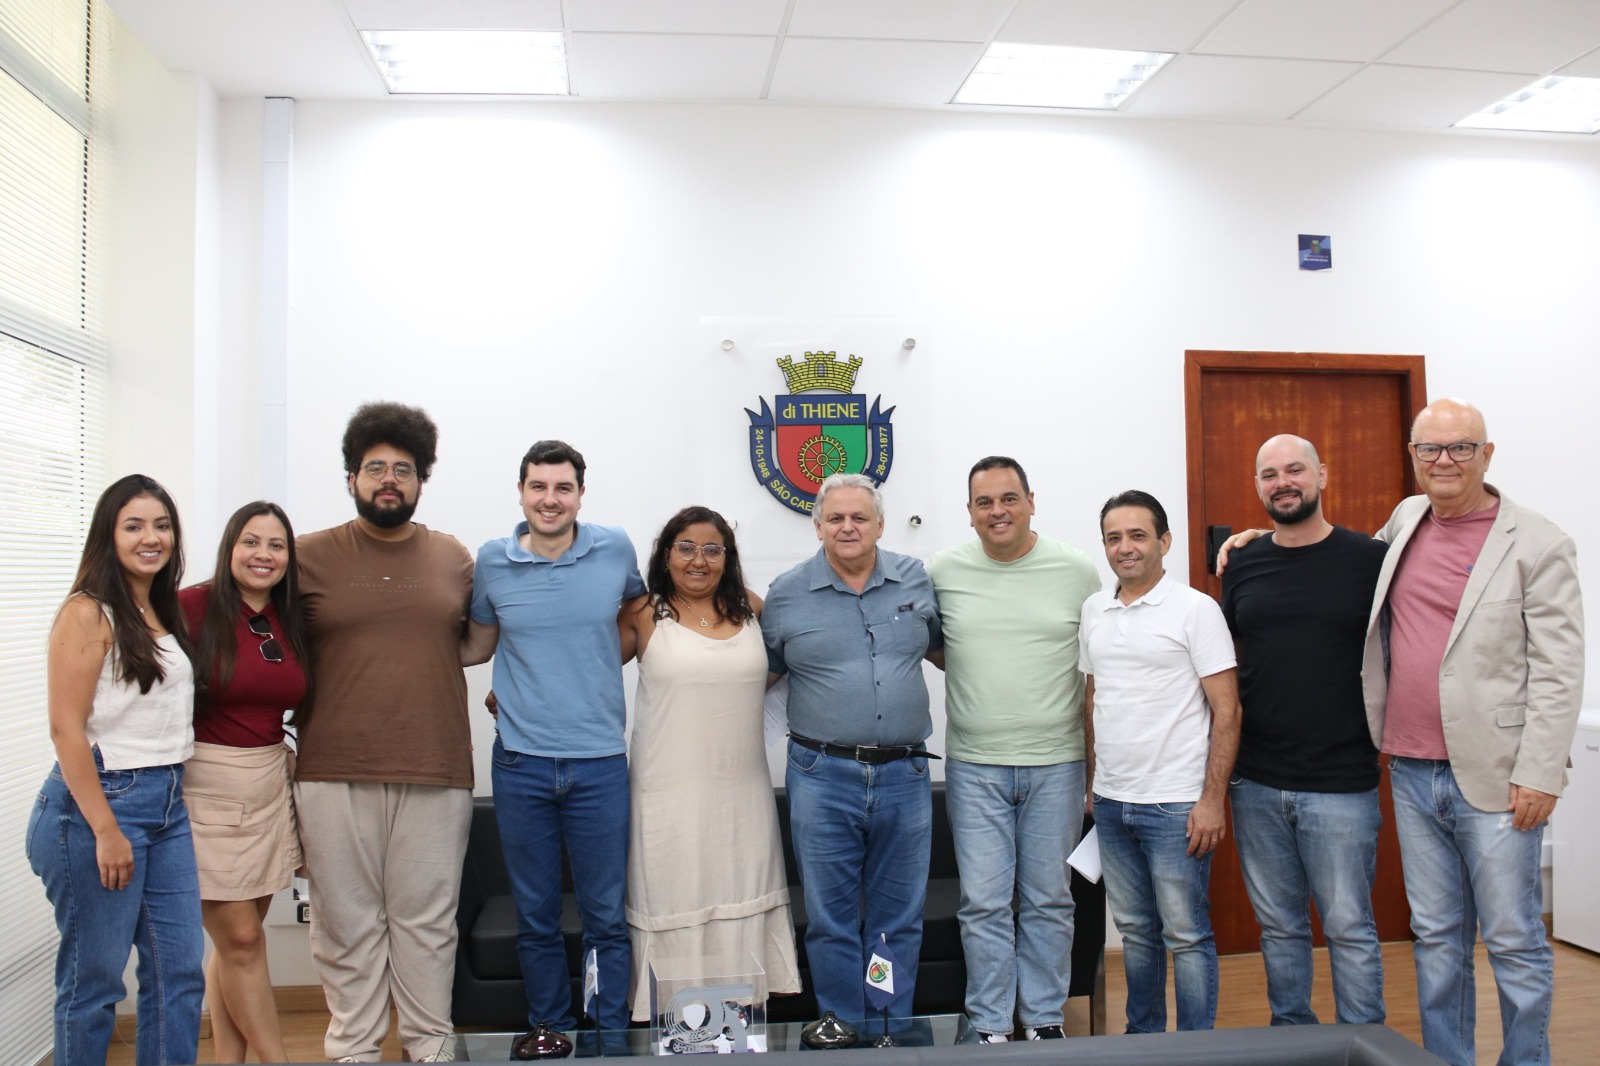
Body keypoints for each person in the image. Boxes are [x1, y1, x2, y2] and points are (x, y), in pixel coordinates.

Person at [1364, 399, 1583, 1066]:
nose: (1445, 460)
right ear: (1413, 456)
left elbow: (1559, 669)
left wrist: (1540, 773)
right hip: (1411, 769)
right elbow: (1341, 566)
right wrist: (1261, 539)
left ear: (1487, 455)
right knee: (1436, 938)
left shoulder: (1538, 542)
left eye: (1461, 447)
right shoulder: (1405, 519)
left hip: (1499, 777)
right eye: (1430, 448)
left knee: (1513, 940)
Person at [294, 402, 473, 1063]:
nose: (389, 480)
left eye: (404, 469)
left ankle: (430, 1048)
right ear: (351, 477)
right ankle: (354, 1051)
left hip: (436, 768)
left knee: (427, 926)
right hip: (331, 767)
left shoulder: (453, 558)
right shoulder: (306, 556)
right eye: (376, 468)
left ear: (422, 479)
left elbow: (480, 640)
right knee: (345, 925)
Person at [461, 440, 646, 1042]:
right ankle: (550, 1029)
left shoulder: (614, 547)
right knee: (536, 916)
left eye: (563, 487)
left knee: (605, 917)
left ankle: (608, 1034)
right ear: (521, 493)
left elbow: (640, 614)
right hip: (521, 764)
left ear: (580, 495)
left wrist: (593, 667)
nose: (550, 499)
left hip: (600, 763)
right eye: (538, 487)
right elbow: (477, 644)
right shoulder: (492, 561)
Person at [26, 474, 205, 1066]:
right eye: (134, 526)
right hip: (97, 808)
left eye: (161, 525)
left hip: (167, 805)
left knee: (180, 972)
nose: (151, 538)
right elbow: (66, 729)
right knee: (96, 982)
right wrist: (105, 828)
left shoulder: (158, 608)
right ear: (109, 535)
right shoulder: (87, 612)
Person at [926, 457, 1098, 1042]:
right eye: (984, 502)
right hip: (975, 765)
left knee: (1049, 899)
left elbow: (1099, 663)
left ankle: (1045, 1019)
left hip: (1058, 763)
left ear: (1030, 501)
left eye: (1008, 499)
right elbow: (934, 646)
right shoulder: (943, 571)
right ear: (970, 512)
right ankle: (992, 1023)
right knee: (983, 903)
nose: (997, 511)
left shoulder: (1075, 570)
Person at [762, 472, 943, 1019]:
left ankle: (887, 1024)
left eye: (859, 517)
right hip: (822, 776)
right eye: (835, 518)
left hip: (905, 776)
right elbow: (757, 675)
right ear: (817, 526)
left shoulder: (915, 580)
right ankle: (842, 1028)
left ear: (880, 525)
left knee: (897, 921)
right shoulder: (786, 594)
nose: (848, 527)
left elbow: (949, 651)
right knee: (830, 920)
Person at [1220, 436, 1388, 1026]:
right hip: (1257, 781)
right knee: (1279, 927)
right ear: (1257, 486)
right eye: (1269, 474)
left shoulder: (1371, 559)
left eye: (1295, 469)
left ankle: (1364, 1047)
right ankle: (1291, 1040)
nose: (1283, 482)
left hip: (1342, 782)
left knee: (1349, 926)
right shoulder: (1241, 562)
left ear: (1322, 474)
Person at [618, 506, 801, 1022]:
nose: (698, 560)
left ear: (728, 558)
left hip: (742, 797)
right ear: (665, 555)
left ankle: (734, 1027)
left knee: (740, 892)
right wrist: (518, 693)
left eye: (712, 549)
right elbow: (585, 670)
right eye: (685, 547)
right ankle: (681, 1029)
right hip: (666, 799)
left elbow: (800, 659)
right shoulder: (642, 613)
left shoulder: (753, 609)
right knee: (675, 898)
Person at [1079, 489, 1239, 1034]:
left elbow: (1228, 709)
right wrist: (1092, 785)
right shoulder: (1094, 610)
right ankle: (1143, 1039)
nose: (1125, 547)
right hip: (1112, 803)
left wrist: (1212, 800)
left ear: (1164, 542)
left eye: (1138, 535)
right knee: (1135, 933)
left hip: (1176, 806)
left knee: (1186, 935)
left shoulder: (1196, 609)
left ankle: (1195, 1049)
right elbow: (1093, 699)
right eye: (1114, 538)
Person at [179, 501, 311, 1063]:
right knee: (241, 940)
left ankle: (227, 1061)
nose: (263, 554)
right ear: (230, 546)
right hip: (208, 786)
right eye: (251, 542)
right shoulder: (190, 607)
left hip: (269, 783)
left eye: (276, 545)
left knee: (235, 942)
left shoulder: (291, 616)